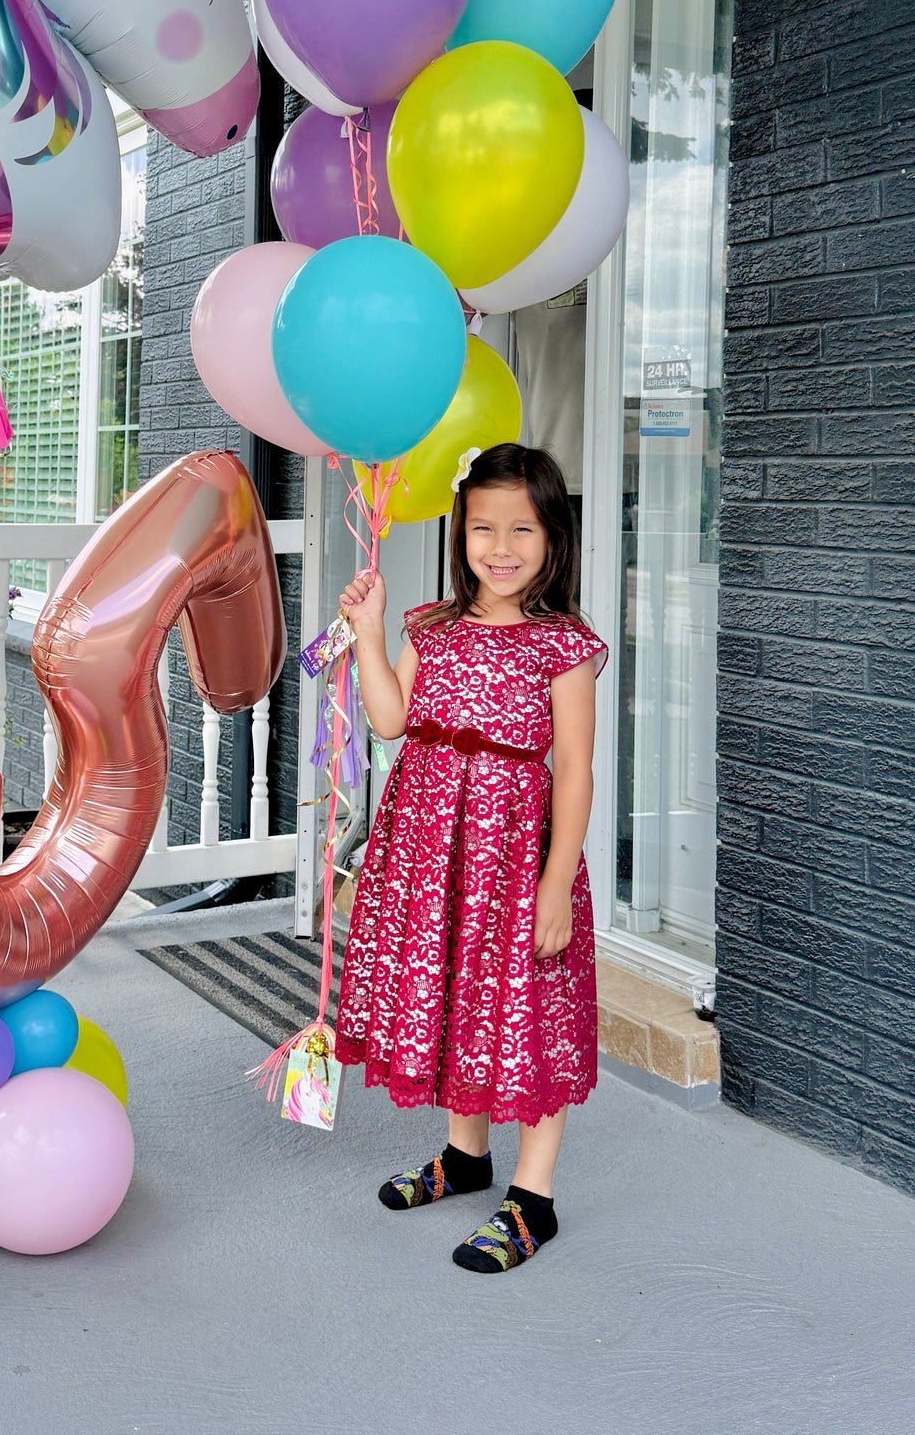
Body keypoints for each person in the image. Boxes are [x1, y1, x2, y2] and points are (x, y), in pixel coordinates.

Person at [333, 442, 605, 1274]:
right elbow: (388, 720)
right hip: (432, 854)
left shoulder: (563, 647)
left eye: (521, 528)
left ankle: (532, 1197)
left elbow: (575, 770)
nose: (499, 547)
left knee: (525, 1011)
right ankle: (463, 1156)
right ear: (460, 533)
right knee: (454, 995)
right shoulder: (432, 627)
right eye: (482, 527)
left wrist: (555, 884)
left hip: (514, 860)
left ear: (554, 538)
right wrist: (368, 633)